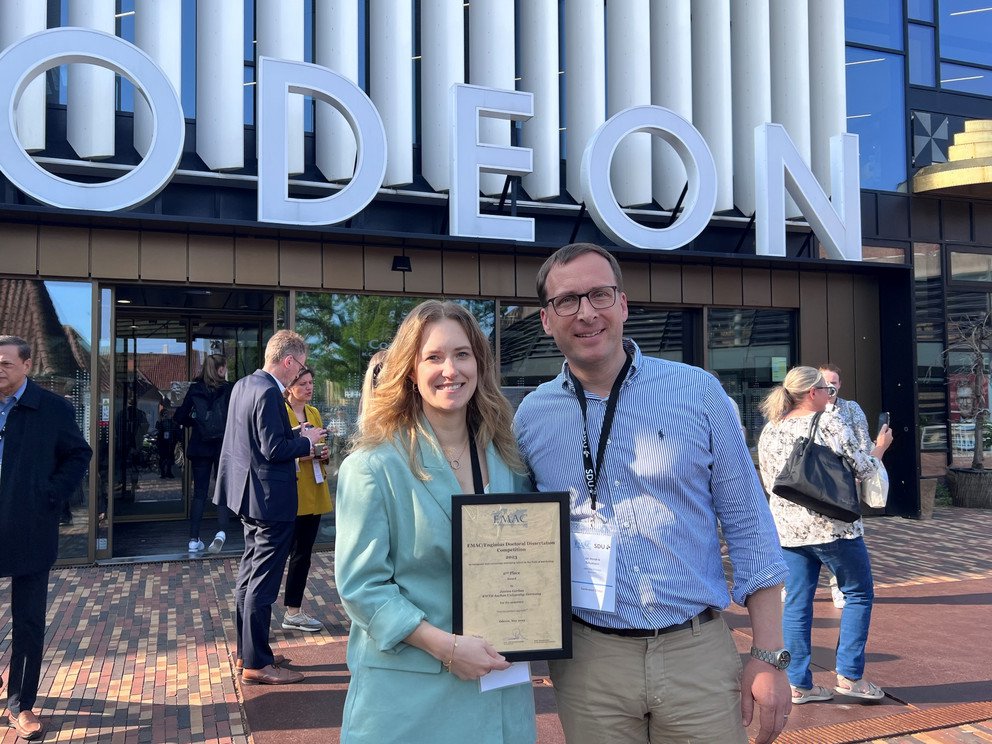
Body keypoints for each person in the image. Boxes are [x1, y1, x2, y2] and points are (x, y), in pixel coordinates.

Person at [513, 243, 792, 744]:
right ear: (546, 320)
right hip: (589, 661)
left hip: (697, 654)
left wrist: (768, 655)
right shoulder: (531, 417)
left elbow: (750, 525)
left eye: (600, 294)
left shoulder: (699, 393)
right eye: (567, 301)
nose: (586, 313)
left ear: (623, 303)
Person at [335, 301, 536, 744]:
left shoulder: (508, 460)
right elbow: (363, 589)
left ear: (479, 365)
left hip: (500, 691)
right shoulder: (373, 466)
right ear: (409, 369)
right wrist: (449, 649)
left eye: (463, 354)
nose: (451, 369)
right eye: (434, 357)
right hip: (413, 699)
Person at [757, 366, 893, 706]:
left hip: (788, 530)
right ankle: (850, 676)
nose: (830, 396)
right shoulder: (831, 422)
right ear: (812, 393)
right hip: (834, 526)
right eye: (826, 390)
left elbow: (770, 480)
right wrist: (880, 448)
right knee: (858, 593)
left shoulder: (771, 429)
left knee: (797, 602)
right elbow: (863, 468)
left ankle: (799, 685)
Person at [214, 330, 326, 685]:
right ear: (289, 361)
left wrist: (296, 434)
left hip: (247, 495)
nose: (301, 374)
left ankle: (248, 650)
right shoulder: (267, 392)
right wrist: (304, 440)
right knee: (262, 582)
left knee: (249, 576)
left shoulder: (245, 385)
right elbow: (273, 449)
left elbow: (251, 441)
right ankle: (257, 664)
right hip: (269, 500)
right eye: (301, 365)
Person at [0, 335, 92, 740]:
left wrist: (50, 495)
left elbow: (79, 454)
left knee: (28, 620)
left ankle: (21, 704)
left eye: (4, 363)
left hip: (30, 528)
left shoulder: (52, 409)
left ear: (26, 365)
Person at [281, 366, 333, 633]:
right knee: (279, 555)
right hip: (291, 492)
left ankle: (293, 611)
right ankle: (261, 609)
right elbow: (278, 452)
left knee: (303, 555)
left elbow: (320, 446)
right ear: (290, 386)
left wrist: (324, 454)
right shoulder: (281, 412)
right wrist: (305, 452)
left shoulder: (313, 412)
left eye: (311, 382)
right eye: (303, 383)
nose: (309, 387)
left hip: (314, 488)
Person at [819, 362, 873, 609]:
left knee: (841, 533)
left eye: (833, 383)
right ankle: (793, 585)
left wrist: (859, 473)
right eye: (824, 383)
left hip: (845, 481)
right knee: (812, 533)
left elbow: (863, 443)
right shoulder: (809, 409)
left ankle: (838, 587)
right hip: (815, 481)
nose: (829, 387)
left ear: (840, 385)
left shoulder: (850, 409)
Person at [176, 354, 234, 554]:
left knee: (199, 493)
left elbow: (179, 416)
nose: (225, 370)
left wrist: (198, 423)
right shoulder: (229, 388)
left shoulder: (195, 389)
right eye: (224, 367)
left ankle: (194, 539)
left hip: (200, 447)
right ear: (219, 369)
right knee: (222, 490)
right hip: (223, 446)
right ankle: (221, 532)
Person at [155, 400, 179, 479]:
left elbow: (174, 430)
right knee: (164, 458)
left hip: (169, 442)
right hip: (164, 443)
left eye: (167, 414)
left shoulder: (170, 422)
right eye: (165, 414)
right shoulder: (161, 423)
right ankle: (164, 472)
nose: (166, 415)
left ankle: (167, 472)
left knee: (168, 458)